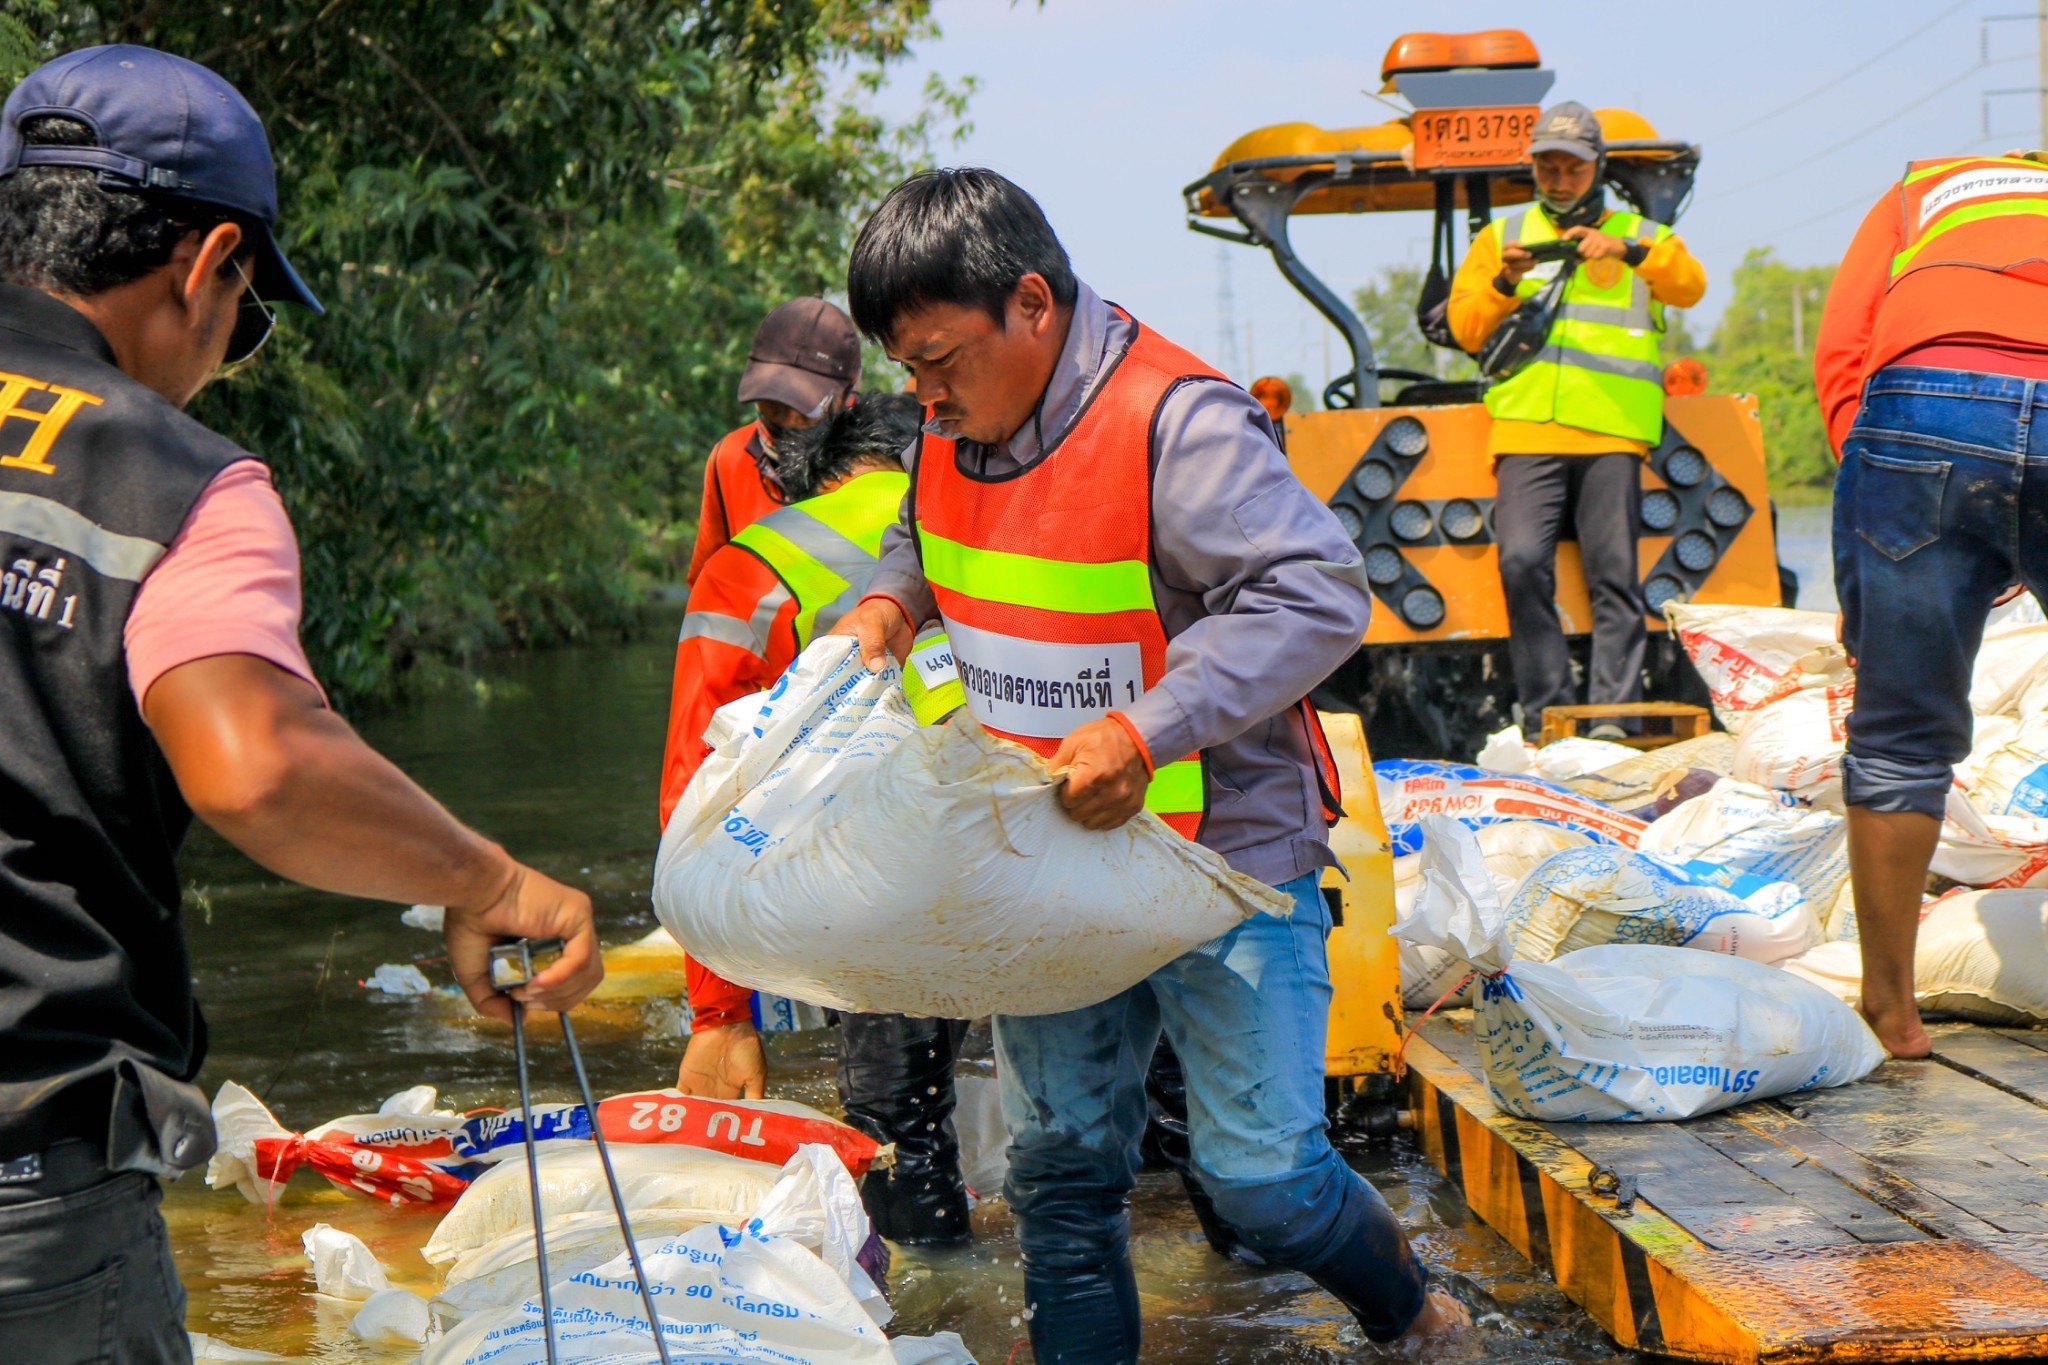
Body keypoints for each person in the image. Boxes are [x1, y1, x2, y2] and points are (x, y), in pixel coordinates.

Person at [0, 46, 602, 1359]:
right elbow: (258, 764)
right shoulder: (167, 477)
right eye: (250, 313)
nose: (229, 350)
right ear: (210, 262)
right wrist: (487, 879)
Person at [834, 167, 1468, 1361]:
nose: (923, 394)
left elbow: (1317, 593)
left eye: (938, 360)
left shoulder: (1176, 425)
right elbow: (917, 531)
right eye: (906, 368)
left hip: (1219, 856)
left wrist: (1146, 731)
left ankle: (1417, 1316)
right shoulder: (946, 429)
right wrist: (885, 601)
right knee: (1059, 1178)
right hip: (1050, 857)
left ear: (1031, 305)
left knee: (1263, 1184)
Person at [660, 391, 974, 1244]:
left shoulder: (757, 562)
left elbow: (698, 799)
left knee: (901, 1136)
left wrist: (720, 1013)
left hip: (879, 885)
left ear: (812, 480)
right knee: (1128, 1124)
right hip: (1059, 843)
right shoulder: (997, 516)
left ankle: (937, 1297)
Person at [1813, 150, 2048, 1059]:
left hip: (1926, 402)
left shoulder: (1921, 186)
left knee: (1899, 736)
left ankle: (1892, 1012)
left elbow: (1844, 351)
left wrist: (1880, 517)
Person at [1448, 101, 1707, 738]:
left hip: (1613, 428)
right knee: (1520, 563)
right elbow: (1465, 327)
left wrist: (1629, 249)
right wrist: (1505, 283)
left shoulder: (1640, 233)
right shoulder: (1501, 237)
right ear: (1534, 167)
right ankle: (1549, 716)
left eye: (1573, 168)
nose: (1560, 180)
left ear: (1597, 168)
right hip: (1526, 428)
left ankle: (1613, 717)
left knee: (1614, 576)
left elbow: (1690, 286)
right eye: (1548, 167)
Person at [684, 297, 861, 586]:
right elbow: (707, 584)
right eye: (774, 405)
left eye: (807, 409)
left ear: (849, 392)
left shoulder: (881, 467)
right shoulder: (729, 457)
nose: (789, 421)